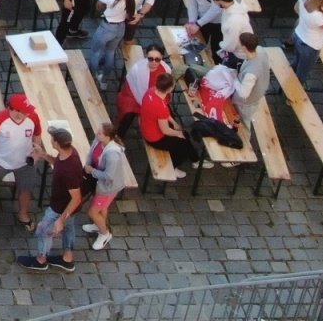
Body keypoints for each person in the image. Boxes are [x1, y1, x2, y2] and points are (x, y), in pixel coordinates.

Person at [17, 123, 85, 272]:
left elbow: (76, 198)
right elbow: (58, 163)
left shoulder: (69, 170)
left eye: (52, 139)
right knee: (69, 227)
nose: (50, 141)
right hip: (67, 208)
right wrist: (43, 155)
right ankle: (67, 258)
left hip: (60, 208)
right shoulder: (69, 153)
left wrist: (60, 219)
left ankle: (41, 260)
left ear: (57, 144)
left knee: (43, 229)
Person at [0, 93, 42, 224]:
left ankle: (23, 213)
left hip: (25, 162)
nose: (27, 114)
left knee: (27, 187)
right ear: (15, 111)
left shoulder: (33, 117)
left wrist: (36, 150)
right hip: (1, 160)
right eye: (24, 111)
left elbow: (37, 133)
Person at [82, 121, 130, 251]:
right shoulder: (99, 141)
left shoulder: (112, 155)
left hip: (108, 188)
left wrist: (91, 171)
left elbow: (109, 176)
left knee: (93, 212)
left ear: (107, 137)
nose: (96, 134)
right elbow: (91, 153)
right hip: (101, 183)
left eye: (99, 133)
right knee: (102, 209)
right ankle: (99, 225)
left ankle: (104, 234)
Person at [139, 71, 198, 175]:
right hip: (154, 138)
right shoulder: (160, 107)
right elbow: (165, 130)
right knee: (185, 145)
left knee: (185, 136)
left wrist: (174, 123)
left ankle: (195, 160)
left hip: (147, 127)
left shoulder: (151, 91)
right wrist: (178, 134)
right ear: (170, 89)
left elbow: (165, 113)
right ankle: (173, 168)